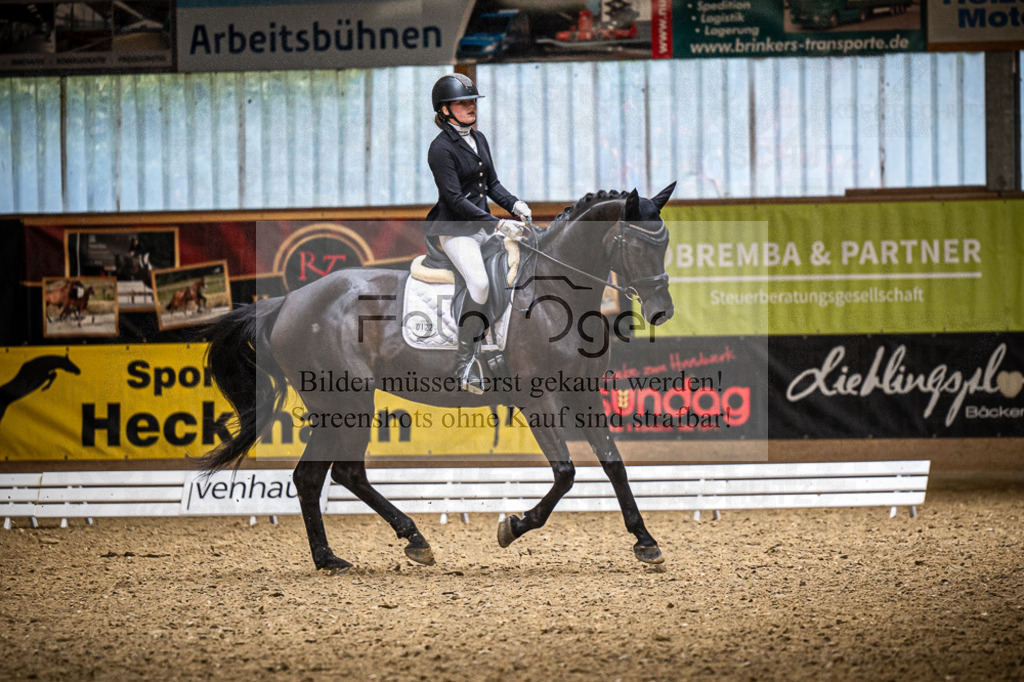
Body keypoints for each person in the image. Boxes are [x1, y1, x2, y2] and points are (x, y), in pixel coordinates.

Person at [423, 73, 531, 394]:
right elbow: (454, 199)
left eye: (473, 101)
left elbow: (492, 185)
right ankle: (465, 363)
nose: (471, 107)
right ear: (444, 110)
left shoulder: (478, 138)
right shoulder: (440, 149)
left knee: (518, 269)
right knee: (480, 283)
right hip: (455, 231)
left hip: (482, 225)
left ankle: (500, 345)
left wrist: (515, 205)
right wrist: (497, 224)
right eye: (463, 103)